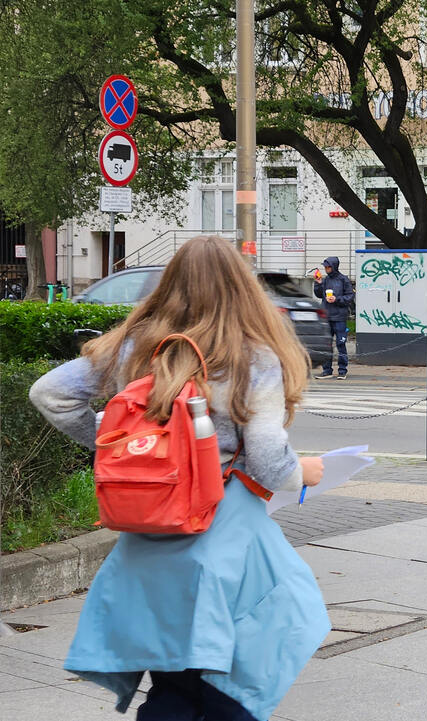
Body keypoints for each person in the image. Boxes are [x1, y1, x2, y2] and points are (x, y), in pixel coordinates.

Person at [28, 235, 331, 720]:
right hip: (224, 532)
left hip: (151, 536)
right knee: (238, 678)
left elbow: (50, 394)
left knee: (172, 683)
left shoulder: (134, 348)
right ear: (242, 289)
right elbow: (272, 461)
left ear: (168, 287)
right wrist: (306, 472)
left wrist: (125, 452)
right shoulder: (252, 357)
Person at [312, 256, 355, 379]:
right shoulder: (325, 280)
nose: (326, 269)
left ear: (334, 266)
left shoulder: (343, 280)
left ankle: (342, 371)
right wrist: (318, 283)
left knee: (341, 344)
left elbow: (350, 296)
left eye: (328, 267)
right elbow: (319, 294)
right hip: (327, 316)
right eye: (325, 267)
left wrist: (337, 299)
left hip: (340, 317)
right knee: (326, 344)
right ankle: (327, 370)